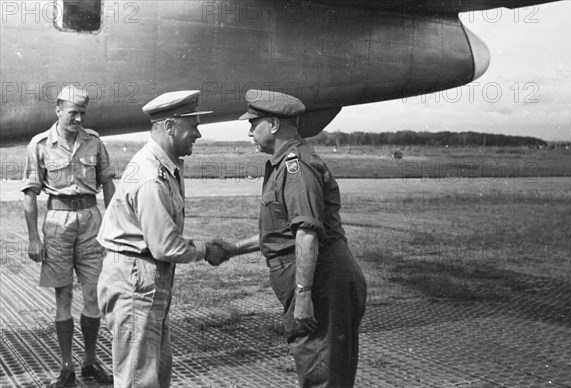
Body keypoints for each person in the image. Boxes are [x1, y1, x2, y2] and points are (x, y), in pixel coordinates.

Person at [231, 89, 367, 387]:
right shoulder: (286, 165)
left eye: (254, 123)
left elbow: (306, 235)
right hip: (316, 279)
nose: (250, 131)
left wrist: (303, 296)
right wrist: (233, 249)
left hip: (320, 283)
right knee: (319, 370)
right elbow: (284, 232)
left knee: (323, 376)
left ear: (275, 125)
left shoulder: (297, 168)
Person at [96, 90, 228, 388]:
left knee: (152, 374)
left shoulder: (164, 165)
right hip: (135, 280)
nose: (198, 133)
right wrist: (206, 249)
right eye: (192, 125)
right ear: (170, 127)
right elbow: (165, 245)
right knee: (137, 379)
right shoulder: (151, 177)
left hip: (144, 277)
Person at [22, 85, 116, 387]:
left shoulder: (95, 143)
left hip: (91, 222)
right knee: (63, 297)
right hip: (57, 222)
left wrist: (113, 227)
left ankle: (89, 363)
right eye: (73, 112)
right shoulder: (39, 145)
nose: (78, 119)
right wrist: (33, 238)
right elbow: (30, 195)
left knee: (93, 296)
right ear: (58, 110)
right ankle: (66, 368)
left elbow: (108, 185)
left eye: (82, 113)